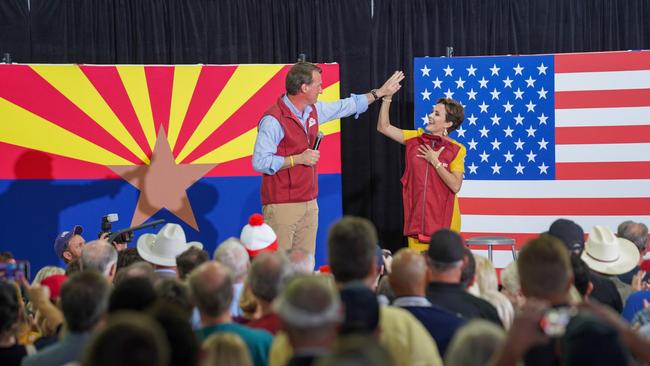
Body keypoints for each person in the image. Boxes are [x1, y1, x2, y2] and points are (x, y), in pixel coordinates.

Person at [252, 62, 402, 255]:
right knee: (279, 267)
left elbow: (345, 106)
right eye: (318, 86)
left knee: (305, 264)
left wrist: (378, 93)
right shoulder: (273, 120)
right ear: (304, 87)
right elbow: (260, 161)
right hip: (282, 204)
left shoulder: (312, 110)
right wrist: (296, 159)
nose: (322, 90)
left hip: (309, 202)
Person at [377, 83, 466, 251]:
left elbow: (455, 185)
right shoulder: (415, 139)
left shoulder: (457, 150)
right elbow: (384, 127)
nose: (430, 116)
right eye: (432, 111)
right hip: (418, 222)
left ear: (448, 123)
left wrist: (436, 162)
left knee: (441, 270)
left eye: (436, 114)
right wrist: (387, 97)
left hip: (445, 222)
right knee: (418, 272)